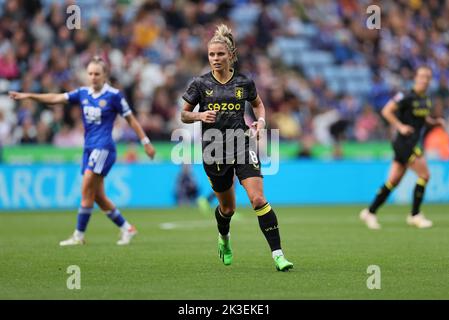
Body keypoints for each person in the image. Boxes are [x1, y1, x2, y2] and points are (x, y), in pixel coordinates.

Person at [180, 24, 293, 271]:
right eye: (211, 54)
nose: (216, 59)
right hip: (214, 150)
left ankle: (278, 255)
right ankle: (224, 238)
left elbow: (259, 105)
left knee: (258, 198)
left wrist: (261, 122)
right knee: (227, 208)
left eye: (220, 54)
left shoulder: (244, 82)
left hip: (242, 145)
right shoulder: (199, 84)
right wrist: (200, 117)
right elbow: (183, 115)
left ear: (230, 55)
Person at [9, 56, 156, 245]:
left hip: (104, 148)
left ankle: (79, 235)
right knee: (97, 196)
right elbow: (55, 98)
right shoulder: (83, 93)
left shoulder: (114, 96)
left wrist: (145, 142)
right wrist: (29, 95)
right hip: (88, 148)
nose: (93, 77)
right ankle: (127, 228)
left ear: (105, 75)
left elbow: (131, 120)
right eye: (90, 74)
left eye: (97, 74)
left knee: (86, 186)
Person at [360, 66, 446, 229]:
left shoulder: (426, 99)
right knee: (425, 175)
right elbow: (386, 111)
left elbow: (422, 117)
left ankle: (370, 212)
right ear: (416, 78)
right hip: (404, 143)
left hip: (411, 143)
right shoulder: (406, 95)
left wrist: (434, 122)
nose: (424, 79)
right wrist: (400, 126)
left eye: (427, 77)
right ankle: (415, 215)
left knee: (393, 182)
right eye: (421, 76)